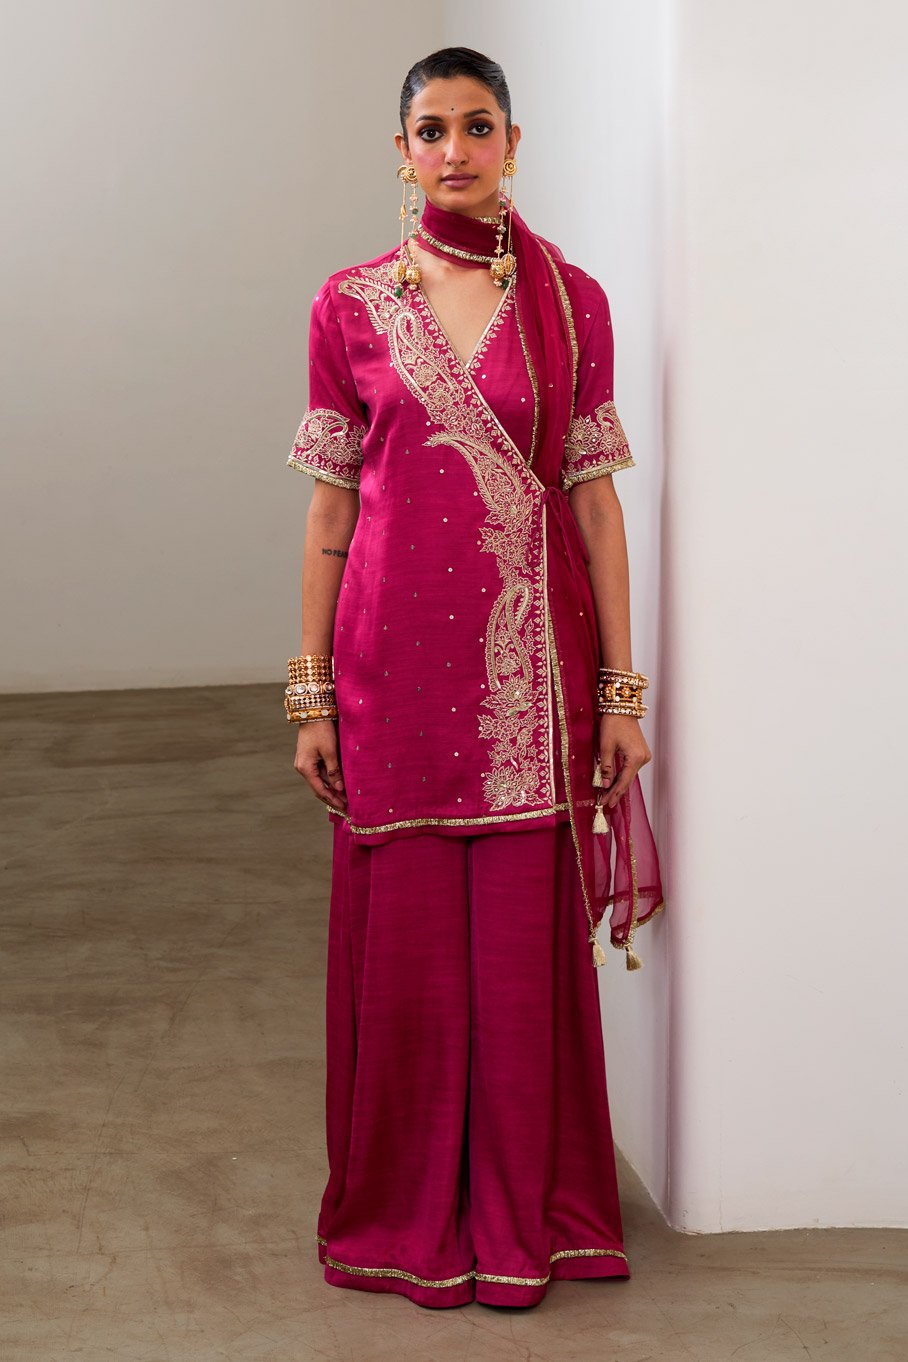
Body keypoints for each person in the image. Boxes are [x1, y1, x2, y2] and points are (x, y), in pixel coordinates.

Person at [285, 46, 665, 1311]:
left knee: (513, 957)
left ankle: (523, 1214)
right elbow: (331, 511)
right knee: (402, 958)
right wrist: (310, 692)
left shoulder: (572, 302)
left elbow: (594, 507)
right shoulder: (348, 305)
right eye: (432, 129)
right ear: (401, 153)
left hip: (524, 680)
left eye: (478, 125)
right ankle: (401, 1214)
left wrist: (619, 693)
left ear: (512, 141)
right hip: (386, 673)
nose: (455, 149)